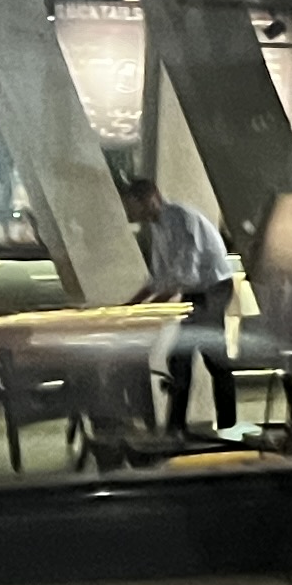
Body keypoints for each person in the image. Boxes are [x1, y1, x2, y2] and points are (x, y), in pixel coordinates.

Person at [122, 181, 240, 438]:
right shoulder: (158, 227)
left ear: (150, 199)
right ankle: (185, 427)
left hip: (212, 289)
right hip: (198, 290)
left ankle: (204, 427)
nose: (129, 212)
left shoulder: (181, 219)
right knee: (192, 359)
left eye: (132, 205)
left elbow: (185, 275)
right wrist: (130, 307)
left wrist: (148, 308)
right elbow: (159, 278)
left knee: (197, 357)